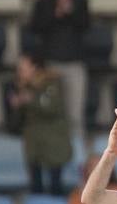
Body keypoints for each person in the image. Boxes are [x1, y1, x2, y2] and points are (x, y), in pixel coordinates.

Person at [27, 0, 91, 141]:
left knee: (75, 116)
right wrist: (55, 14)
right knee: (51, 113)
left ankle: (77, 158)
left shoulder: (80, 0)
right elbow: (35, 28)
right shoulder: (43, 2)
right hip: (51, 64)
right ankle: (54, 157)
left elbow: (85, 26)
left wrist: (69, 11)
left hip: (75, 63)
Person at [8, 51, 72, 196]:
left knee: (55, 186)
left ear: (35, 67)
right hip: (33, 144)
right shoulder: (20, 86)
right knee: (36, 187)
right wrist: (16, 105)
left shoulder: (52, 83)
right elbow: (14, 122)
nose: (20, 72)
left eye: (23, 68)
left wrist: (31, 100)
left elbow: (53, 107)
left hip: (54, 142)